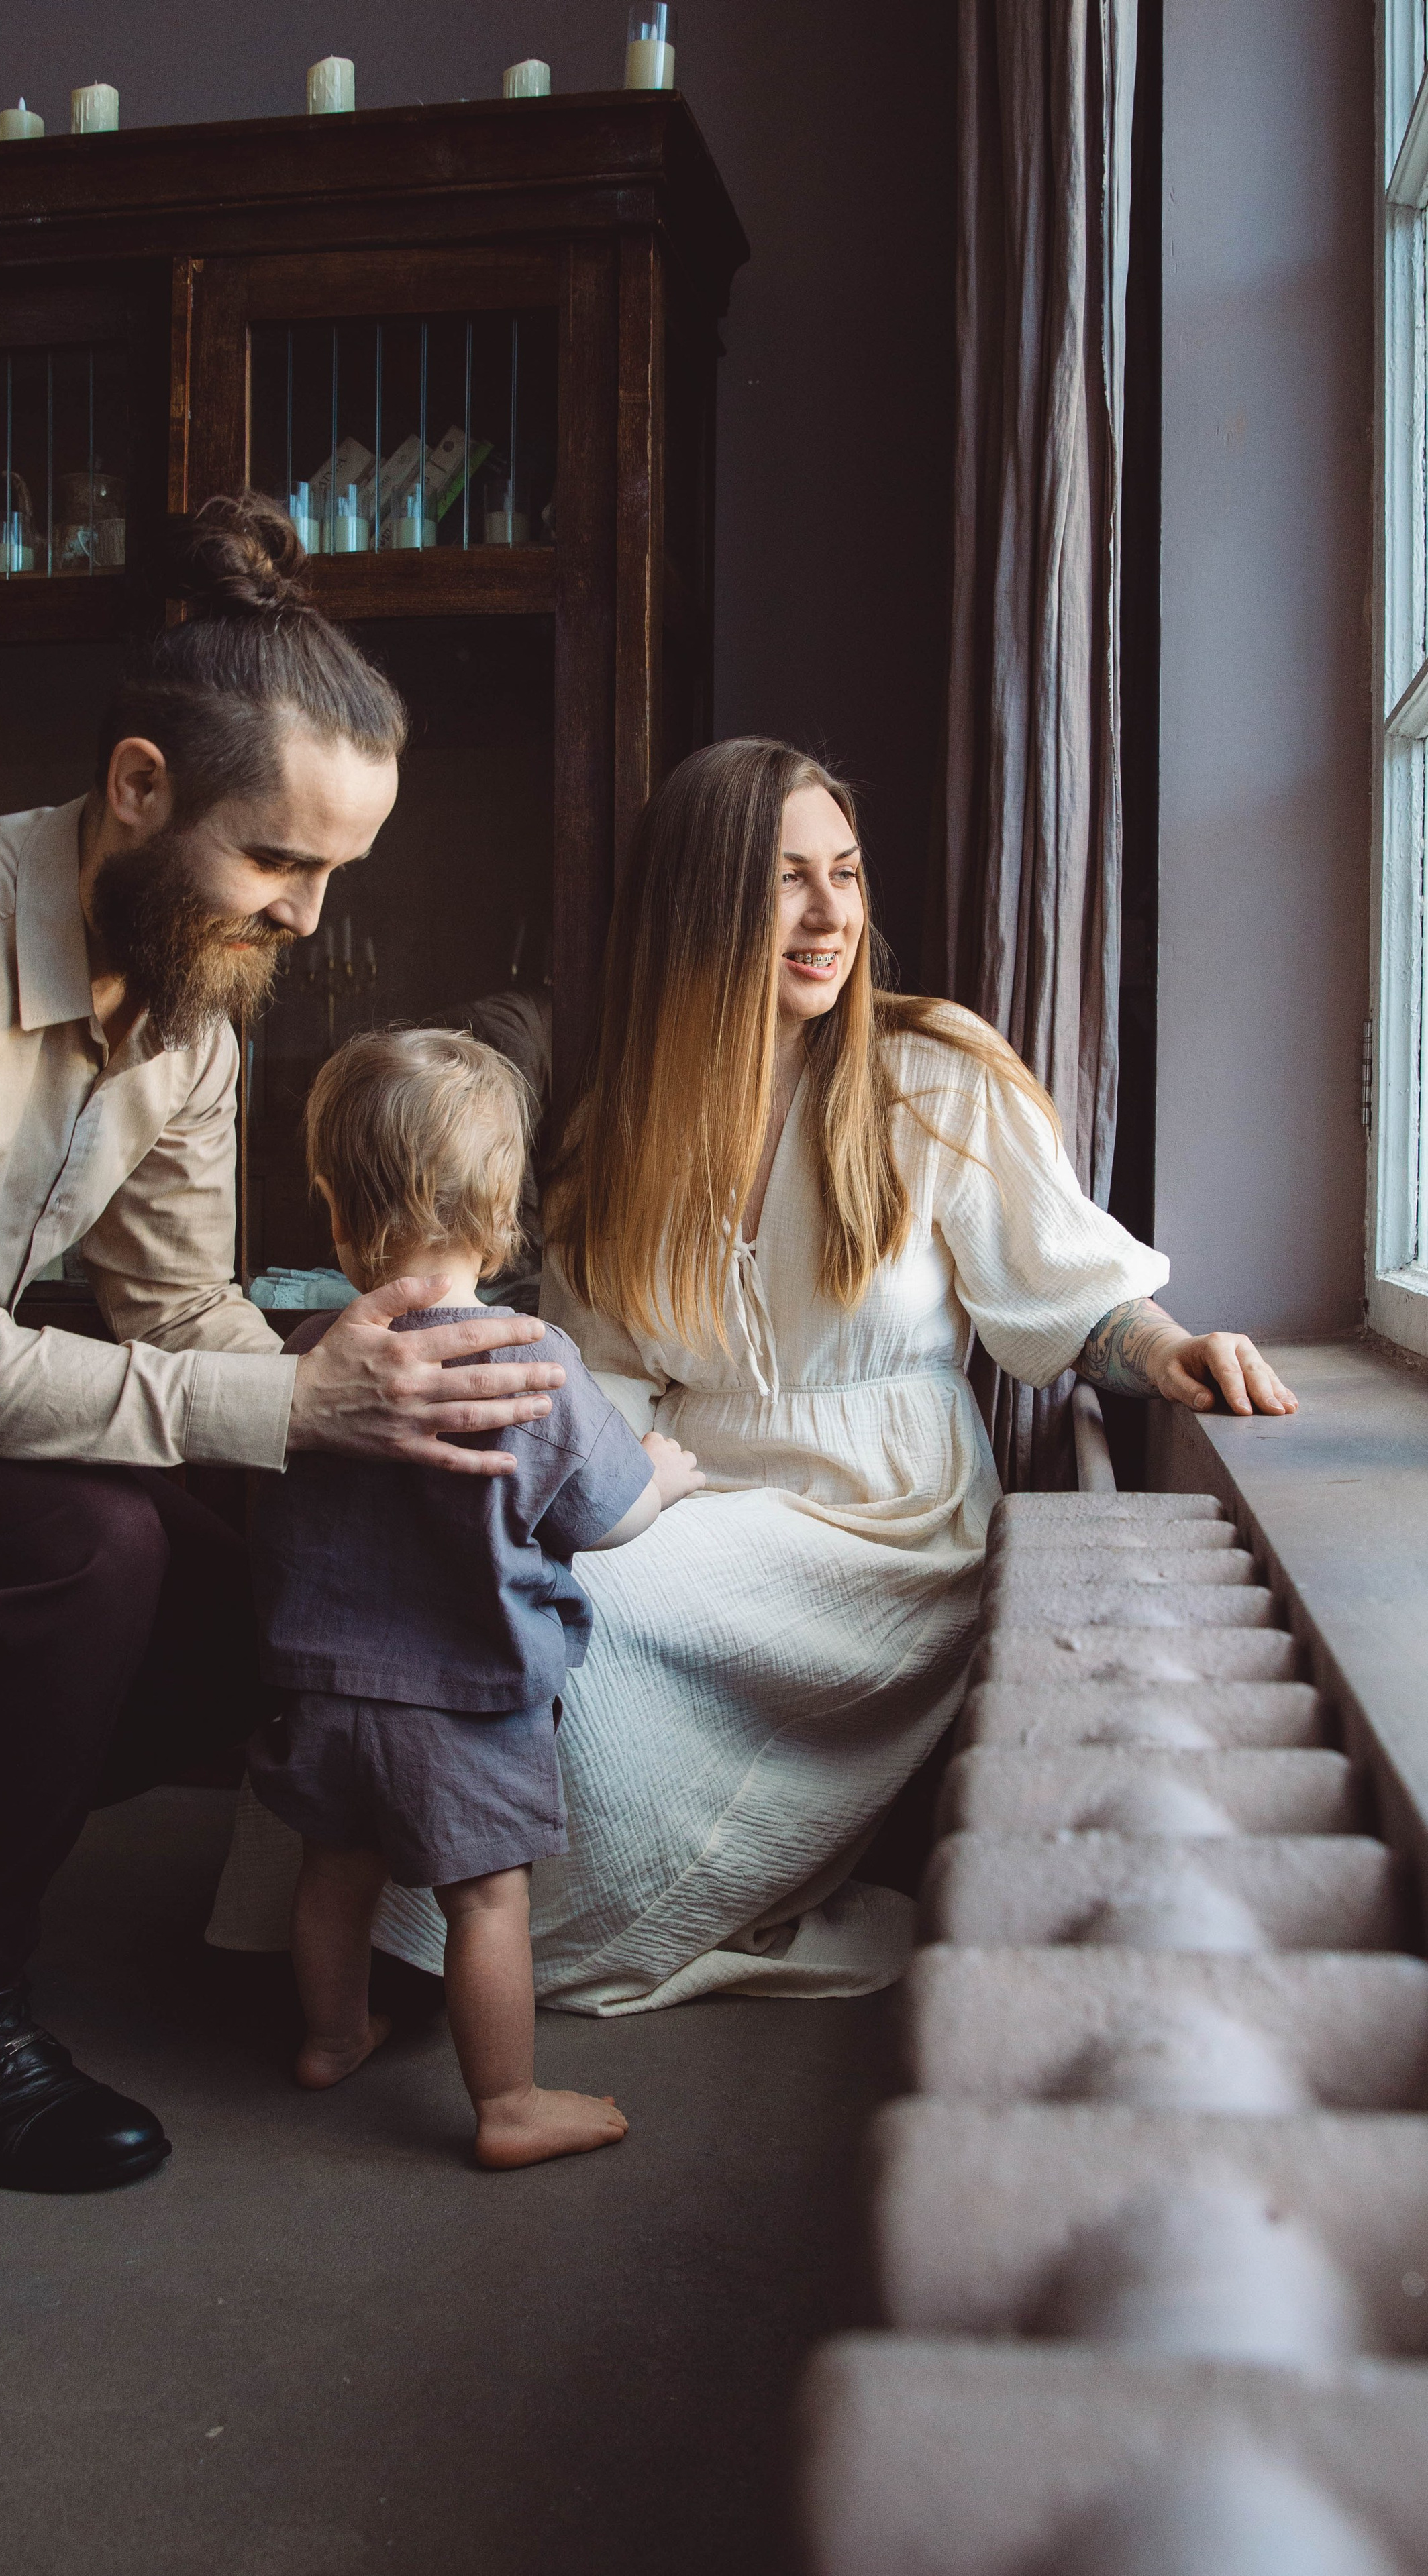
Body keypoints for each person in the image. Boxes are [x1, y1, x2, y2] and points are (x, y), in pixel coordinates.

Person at [0, 492, 568, 2193]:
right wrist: (293, 1404)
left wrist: (380, 1411)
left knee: (276, 1574)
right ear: (136, 789)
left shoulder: (191, 1002)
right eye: (279, 863)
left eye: (339, 872)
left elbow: (178, 1313)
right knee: (92, 1551)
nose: (309, 919)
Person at [213, 736, 1296, 2013]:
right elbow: (596, 1379)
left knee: (584, 1640)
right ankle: (342, 1941)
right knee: (443, 1588)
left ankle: (454, 1954)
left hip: (877, 1524)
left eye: (844, 874)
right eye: (789, 880)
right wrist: (511, 1511)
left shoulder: (934, 1076)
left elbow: (1065, 1294)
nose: (832, 913)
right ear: (702, 904)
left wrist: (1166, 1349)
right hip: (668, 1483)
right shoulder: (627, 1120)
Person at [250, 1028, 703, 2165]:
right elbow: (608, 1517)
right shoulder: (531, 1362)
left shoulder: (309, 1355)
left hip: (320, 1689)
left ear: (339, 1214)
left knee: (332, 1872)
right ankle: (506, 2106)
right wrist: (664, 1472)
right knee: (487, 1903)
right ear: (505, 1215)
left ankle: (330, 2035)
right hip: (468, 1704)